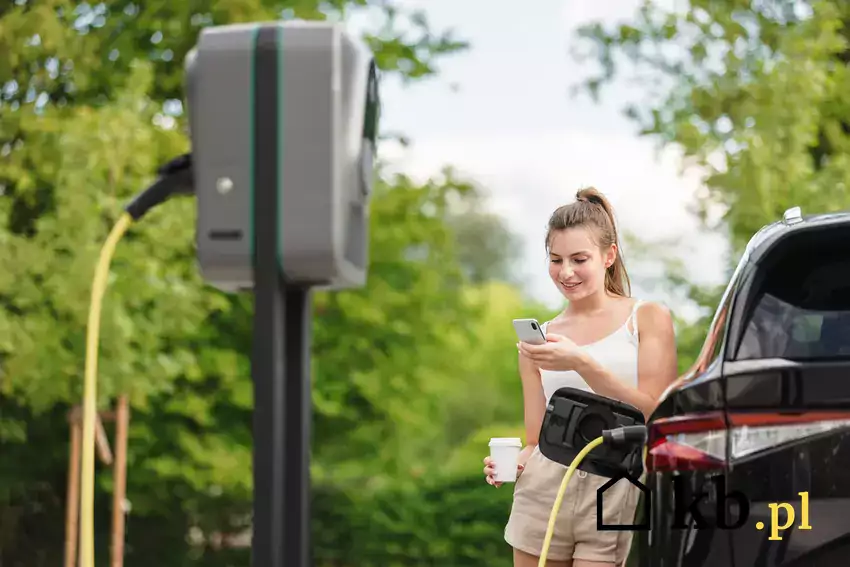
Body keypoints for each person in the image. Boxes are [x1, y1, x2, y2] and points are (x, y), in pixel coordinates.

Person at [483, 187, 678, 567]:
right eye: (555, 260)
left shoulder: (648, 318)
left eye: (579, 259)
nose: (566, 272)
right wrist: (515, 463)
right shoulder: (541, 342)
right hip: (542, 491)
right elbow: (537, 439)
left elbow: (659, 416)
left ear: (609, 256)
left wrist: (582, 362)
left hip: (614, 490)